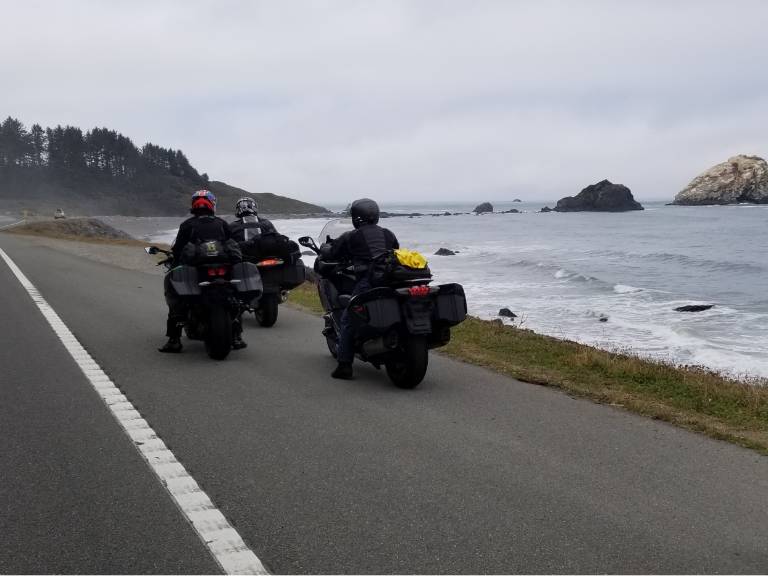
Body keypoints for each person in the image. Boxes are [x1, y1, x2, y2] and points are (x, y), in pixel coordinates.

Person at [158, 190, 246, 352]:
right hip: (224, 269)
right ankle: (236, 337)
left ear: (194, 205)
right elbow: (232, 245)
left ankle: (174, 340)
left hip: (198, 270)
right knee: (233, 296)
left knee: (177, 298)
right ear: (212, 205)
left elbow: (178, 250)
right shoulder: (222, 223)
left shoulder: (187, 225)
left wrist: (174, 261)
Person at [325, 198, 399, 379]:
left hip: (368, 281)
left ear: (356, 217)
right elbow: (395, 250)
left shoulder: (352, 236)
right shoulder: (388, 233)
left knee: (348, 318)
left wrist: (325, 247)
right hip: (390, 280)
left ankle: (344, 366)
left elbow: (333, 252)